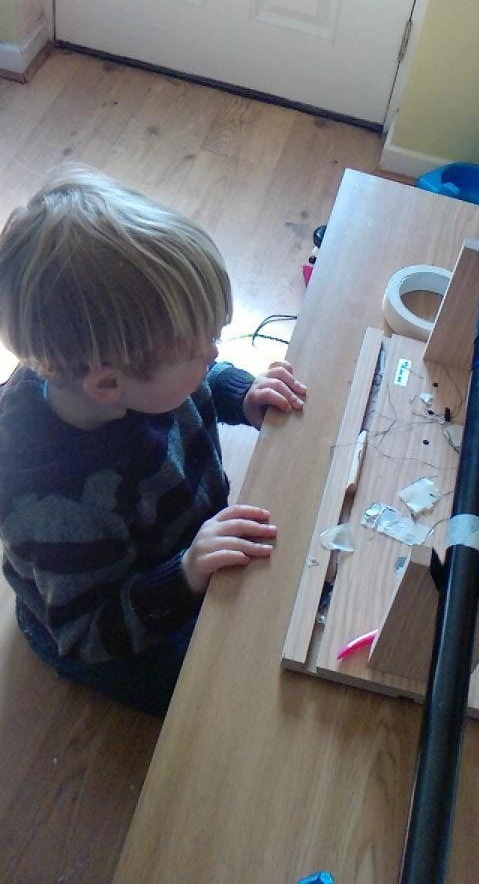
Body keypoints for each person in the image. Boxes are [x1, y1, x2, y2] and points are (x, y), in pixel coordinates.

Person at [0, 167, 306, 715]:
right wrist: (186, 573)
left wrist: (241, 394)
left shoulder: (124, 381)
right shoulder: (57, 506)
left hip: (176, 546)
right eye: (199, 349)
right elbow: (89, 632)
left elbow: (186, 379)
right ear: (108, 385)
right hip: (113, 629)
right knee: (239, 688)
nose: (214, 354)